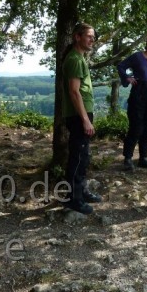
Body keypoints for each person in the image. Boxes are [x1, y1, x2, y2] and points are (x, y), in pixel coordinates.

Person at [61, 23, 102, 215]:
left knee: (83, 155)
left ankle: (82, 191)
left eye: (93, 37)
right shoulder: (75, 59)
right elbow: (74, 92)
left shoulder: (79, 58)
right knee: (78, 156)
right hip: (79, 115)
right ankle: (73, 199)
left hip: (82, 114)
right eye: (89, 36)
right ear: (77, 37)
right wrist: (85, 119)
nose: (92, 40)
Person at [117, 42, 147, 171]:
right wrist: (127, 77)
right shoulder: (137, 56)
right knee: (136, 126)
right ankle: (128, 158)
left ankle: (143, 158)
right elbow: (121, 66)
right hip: (138, 93)